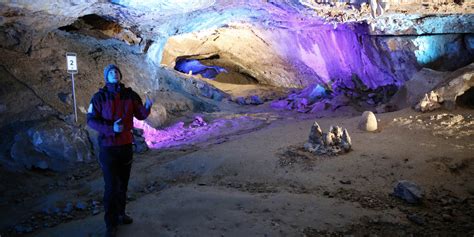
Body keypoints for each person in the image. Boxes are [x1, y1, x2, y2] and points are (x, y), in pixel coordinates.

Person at [87, 64, 153, 237]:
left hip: (125, 146)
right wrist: (111, 129)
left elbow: (140, 114)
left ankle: (121, 214)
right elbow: (91, 121)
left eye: (116, 71)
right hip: (108, 148)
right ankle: (111, 223)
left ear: (120, 75)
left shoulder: (130, 95)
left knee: (123, 184)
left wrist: (147, 107)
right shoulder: (99, 98)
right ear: (106, 77)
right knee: (111, 187)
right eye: (110, 72)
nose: (114, 74)